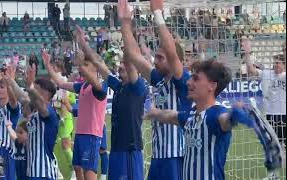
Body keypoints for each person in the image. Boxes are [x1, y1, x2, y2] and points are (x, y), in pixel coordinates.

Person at [144, 59, 259, 180]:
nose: (188, 82)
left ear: (212, 86)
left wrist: (235, 114)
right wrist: (154, 113)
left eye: (195, 78)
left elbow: (225, 121)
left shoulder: (215, 114)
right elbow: (171, 116)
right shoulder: (191, 115)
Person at [118, 0, 192, 179]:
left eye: (160, 57)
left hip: (176, 155)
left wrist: (157, 13)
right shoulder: (158, 79)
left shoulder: (182, 80)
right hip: (159, 156)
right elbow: (134, 55)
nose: (155, 60)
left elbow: (171, 52)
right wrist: (125, 24)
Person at [75, 25, 147, 180]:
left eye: (124, 64)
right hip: (116, 149)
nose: (120, 65)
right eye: (120, 63)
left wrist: (126, 28)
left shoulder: (138, 87)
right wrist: (83, 43)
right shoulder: (118, 86)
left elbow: (130, 61)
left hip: (129, 151)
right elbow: (99, 63)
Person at [42, 47, 107, 180]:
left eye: (87, 65)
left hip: (91, 135)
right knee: (77, 168)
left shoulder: (100, 86)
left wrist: (80, 61)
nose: (83, 68)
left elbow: (93, 81)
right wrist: (48, 66)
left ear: (96, 68)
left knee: (89, 172)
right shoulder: (82, 86)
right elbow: (61, 83)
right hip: (80, 134)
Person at [244, 39, 286, 146]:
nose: (275, 65)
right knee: (272, 145)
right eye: (274, 63)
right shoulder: (266, 73)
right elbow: (250, 69)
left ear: (284, 65)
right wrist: (247, 52)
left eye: (278, 63)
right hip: (269, 115)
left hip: (284, 115)